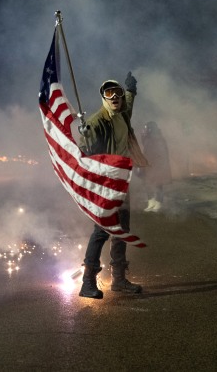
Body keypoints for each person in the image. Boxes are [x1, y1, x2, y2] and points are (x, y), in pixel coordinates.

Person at [77, 72, 148, 299]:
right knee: (101, 230)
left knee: (122, 230)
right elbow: (84, 148)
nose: (115, 96)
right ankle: (87, 282)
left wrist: (132, 90)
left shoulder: (122, 114)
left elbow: (128, 103)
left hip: (122, 180)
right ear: (103, 98)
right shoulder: (97, 121)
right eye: (110, 93)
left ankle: (118, 280)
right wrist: (85, 136)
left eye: (117, 92)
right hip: (106, 181)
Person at [138, 121, 172, 212]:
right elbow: (144, 143)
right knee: (147, 184)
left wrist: (160, 167)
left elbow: (162, 154)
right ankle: (151, 202)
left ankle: (158, 203)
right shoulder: (148, 138)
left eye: (146, 129)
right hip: (147, 165)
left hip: (157, 166)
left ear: (151, 129)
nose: (144, 130)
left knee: (158, 184)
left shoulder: (159, 139)